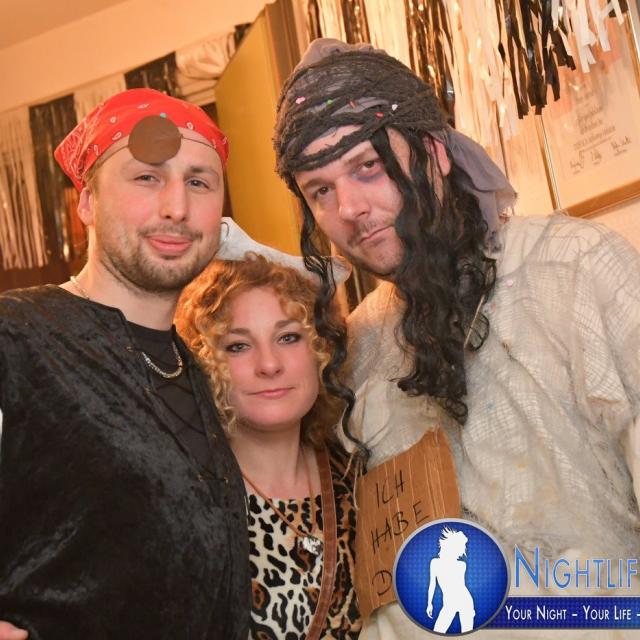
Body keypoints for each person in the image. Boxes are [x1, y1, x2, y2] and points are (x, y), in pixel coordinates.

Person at [272, 38, 640, 638]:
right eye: (321, 190)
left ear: (436, 152)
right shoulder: (358, 349)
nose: (350, 208)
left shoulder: (577, 269)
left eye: (367, 167)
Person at [0, 88, 250, 639]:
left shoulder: (196, 371)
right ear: (86, 203)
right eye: (147, 177)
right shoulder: (16, 336)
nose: (177, 208)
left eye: (199, 182)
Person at [175, 252, 361, 639]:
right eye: (238, 346)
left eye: (288, 337)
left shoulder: (360, 478)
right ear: (204, 363)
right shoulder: (184, 502)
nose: (270, 365)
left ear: (320, 349)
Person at [426, 527, 474, 633]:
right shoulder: (435, 563)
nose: (462, 551)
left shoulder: (462, 565)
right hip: (449, 603)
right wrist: (429, 603)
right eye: (461, 547)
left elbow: (460, 586)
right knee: (438, 631)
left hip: (465, 601)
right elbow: (432, 584)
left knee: (468, 634)